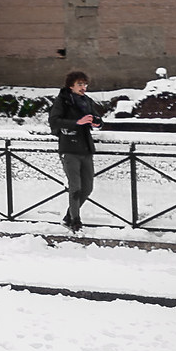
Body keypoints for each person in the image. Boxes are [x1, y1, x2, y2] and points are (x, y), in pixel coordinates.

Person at [49, 70, 105, 231]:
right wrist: (77, 122)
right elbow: (54, 121)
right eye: (80, 84)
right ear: (71, 86)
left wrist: (96, 123)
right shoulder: (62, 101)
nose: (84, 87)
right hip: (69, 148)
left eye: (85, 84)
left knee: (88, 188)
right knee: (75, 187)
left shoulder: (87, 101)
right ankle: (75, 220)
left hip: (86, 148)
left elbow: (98, 119)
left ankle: (68, 216)